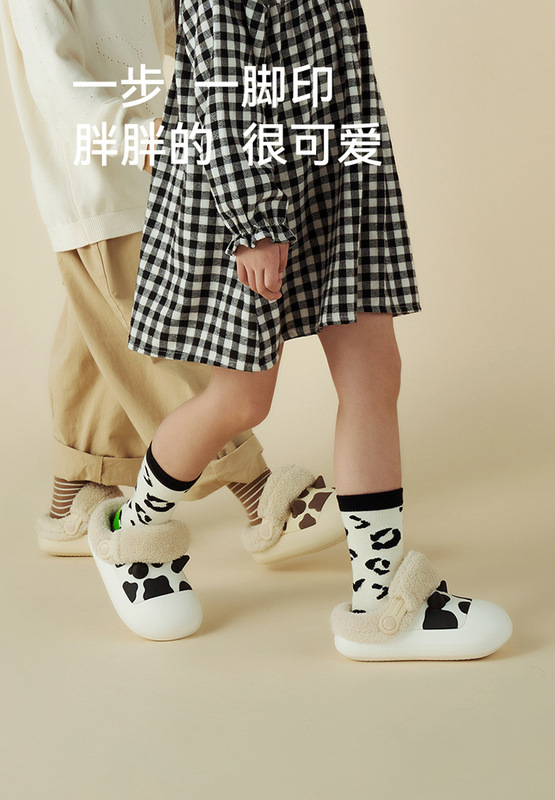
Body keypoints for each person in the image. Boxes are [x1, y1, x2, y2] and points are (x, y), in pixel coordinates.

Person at [86, 0, 513, 657]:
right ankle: (132, 533)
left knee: (374, 378)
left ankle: (380, 602)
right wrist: (256, 225)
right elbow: (223, 105)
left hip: (336, 186)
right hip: (246, 201)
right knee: (241, 400)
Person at [0, 0, 343, 565]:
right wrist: (144, 140)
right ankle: (258, 494)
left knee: (98, 339)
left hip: (156, 175)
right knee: (163, 344)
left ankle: (74, 494)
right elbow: (57, 85)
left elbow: (177, 26)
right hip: (100, 189)